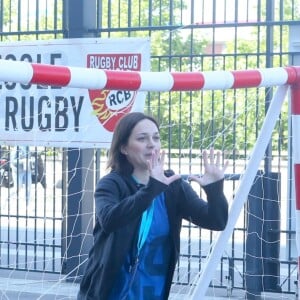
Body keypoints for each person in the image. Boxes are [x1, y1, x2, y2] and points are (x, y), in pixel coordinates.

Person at [77, 112, 229, 300]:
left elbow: (216, 221)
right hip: (110, 292)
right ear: (123, 148)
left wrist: (214, 191)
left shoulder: (173, 185)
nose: (152, 144)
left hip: (151, 291)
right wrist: (151, 189)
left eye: (156, 138)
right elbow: (110, 220)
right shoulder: (111, 184)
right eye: (142, 138)